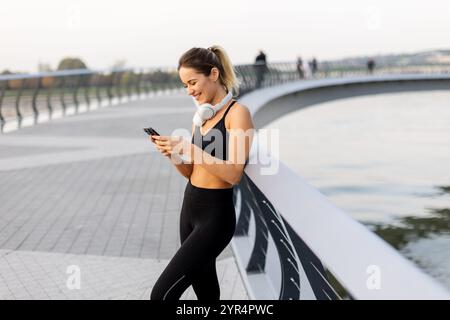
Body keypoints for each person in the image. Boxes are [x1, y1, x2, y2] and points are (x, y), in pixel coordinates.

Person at [149, 45, 254, 301]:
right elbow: (192, 173)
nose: (190, 91)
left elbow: (233, 174)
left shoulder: (237, 114)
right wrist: (174, 154)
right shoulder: (201, 117)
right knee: (206, 293)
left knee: (161, 295)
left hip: (215, 218)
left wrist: (188, 148)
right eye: (185, 85)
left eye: (193, 82)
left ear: (214, 74)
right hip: (190, 209)